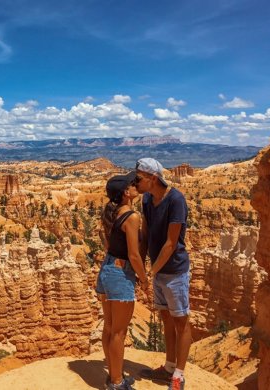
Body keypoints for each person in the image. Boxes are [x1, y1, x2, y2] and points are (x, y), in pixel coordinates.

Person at [135, 158, 192, 390]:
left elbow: (171, 243)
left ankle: (179, 374)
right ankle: (169, 367)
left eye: (139, 178)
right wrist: (140, 263)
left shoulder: (176, 200)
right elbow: (146, 233)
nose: (135, 182)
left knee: (181, 321)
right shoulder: (147, 199)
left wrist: (150, 271)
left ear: (153, 179)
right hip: (158, 270)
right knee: (167, 319)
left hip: (175, 270)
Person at [96, 172, 149, 390]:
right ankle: (117, 383)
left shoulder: (112, 213)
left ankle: (113, 375)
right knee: (119, 332)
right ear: (126, 193)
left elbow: (107, 246)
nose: (136, 185)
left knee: (109, 328)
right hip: (120, 274)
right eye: (132, 184)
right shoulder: (132, 217)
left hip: (107, 270)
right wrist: (144, 279)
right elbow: (134, 255)